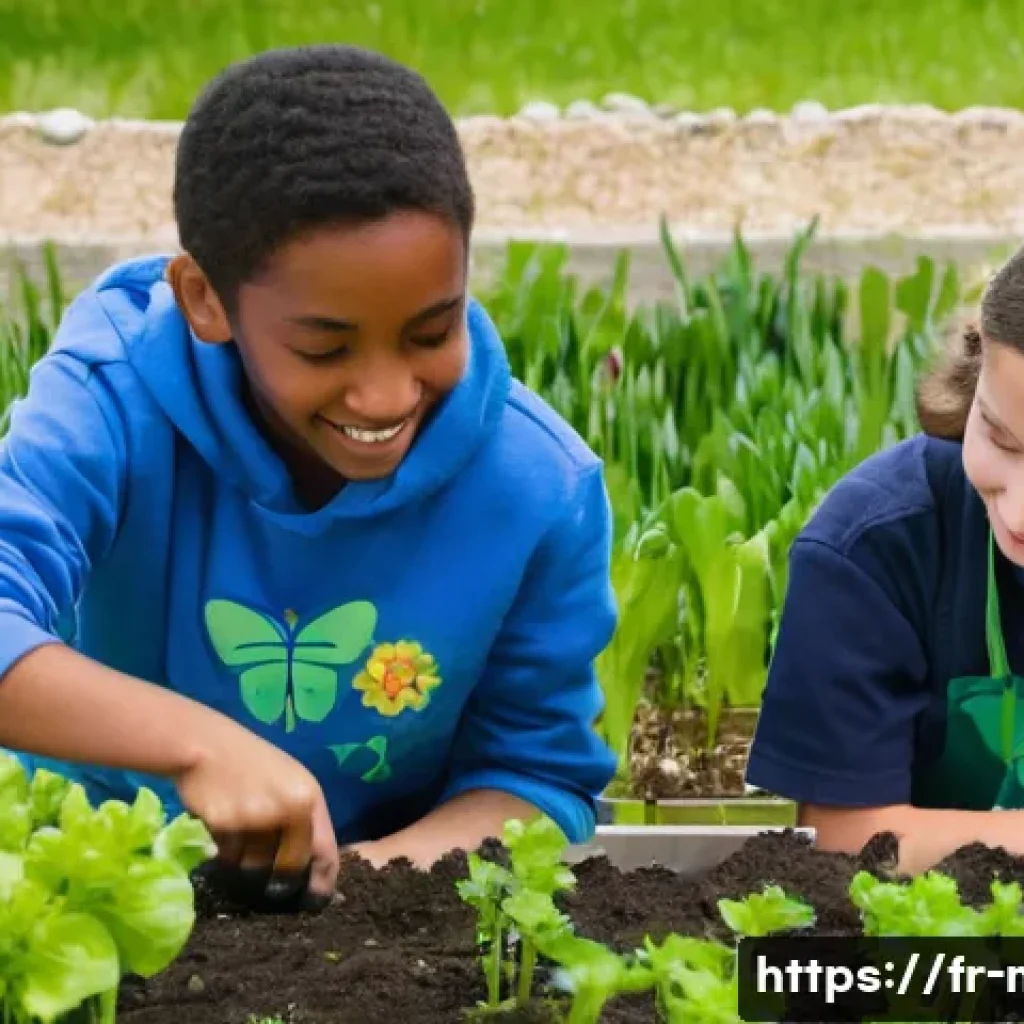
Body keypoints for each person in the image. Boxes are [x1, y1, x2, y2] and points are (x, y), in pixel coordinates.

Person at [0, 45, 617, 902]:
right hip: (68, 878)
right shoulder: (110, 401)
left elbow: (535, 779)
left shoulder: (536, 488)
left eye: (433, 331)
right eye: (324, 348)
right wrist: (199, 745)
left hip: (366, 906)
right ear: (205, 300)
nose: (387, 392)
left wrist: (350, 890)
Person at [745, 244, 1024, 874]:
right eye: (999, 437)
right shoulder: (870, 549)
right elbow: (849, 834)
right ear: (976, 368)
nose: (1019, 514)